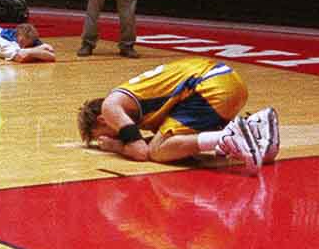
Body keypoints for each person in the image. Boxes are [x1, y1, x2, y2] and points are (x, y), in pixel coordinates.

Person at [75, 57, 278, 168]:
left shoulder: (110, 107)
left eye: (100, 136)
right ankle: (256, 129)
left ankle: (226, 136)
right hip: (227, 83)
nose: (105, 139)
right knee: (168, 145)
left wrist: (115, 146)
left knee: (158, 151)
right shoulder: (134, 108)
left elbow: (142, 152)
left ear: (102, 120)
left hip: (207, 86)